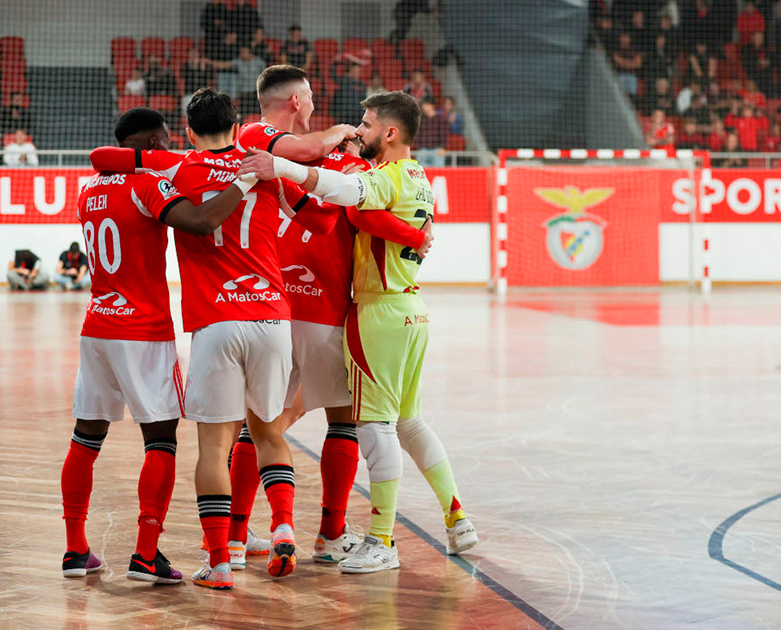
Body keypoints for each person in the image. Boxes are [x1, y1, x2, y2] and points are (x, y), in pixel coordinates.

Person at [88, 89, 342, 589]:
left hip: (215, 322)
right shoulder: (265, 168)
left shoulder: (176, 167)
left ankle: (220, 562)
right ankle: (284, 527)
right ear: (237, 125)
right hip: (272, 318)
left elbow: (104, 159)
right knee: (269, 433)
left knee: (214, 447)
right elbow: (324, 221)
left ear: (187, 130)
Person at [239, 90, 479, 573]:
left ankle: (381, 540)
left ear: (389, 132)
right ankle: (457, 518)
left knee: (367, 426)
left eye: (366, 124)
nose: (357, 129)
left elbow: (346, 200)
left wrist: (280, 169)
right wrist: (414, 235)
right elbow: (359, 211)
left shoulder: (380, 176)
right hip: (411, 310)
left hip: (375, 313)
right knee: (408, 423)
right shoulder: (418, 176)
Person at [61, 105, 250, 585]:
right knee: (161, 440)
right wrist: (243, 181)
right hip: (142, 329)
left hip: (97, 325)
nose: (169, 149)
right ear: (147, 144)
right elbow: (201, 222)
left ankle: (75, 549)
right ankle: (146, 555)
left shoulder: (89, 190)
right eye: (163, 141)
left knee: (85, 438)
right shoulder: (147, 184)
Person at [413, 99, 448, 166]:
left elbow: (444, 134)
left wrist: (442, 148)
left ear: (432, 105)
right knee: (422, 170)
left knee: (438, 170)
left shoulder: (440, 119)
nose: (423, 106)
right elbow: (417, 135)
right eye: (423, 105)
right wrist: (419, 147)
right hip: (423, 150)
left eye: (426, 104)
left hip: (437, 150)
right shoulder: (421, 119)